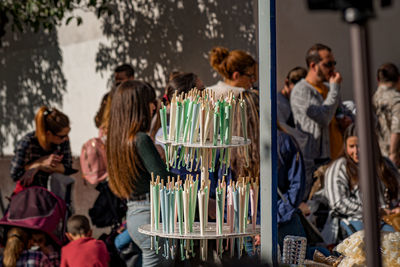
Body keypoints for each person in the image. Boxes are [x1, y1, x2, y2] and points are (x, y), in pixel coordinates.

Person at [107, 80, 171, 266]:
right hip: (150, 213)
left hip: (134, 214)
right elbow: (163, 179)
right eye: (151, 101)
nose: (154, 107)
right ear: (140, 106)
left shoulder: (117, 141)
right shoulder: (141, 139)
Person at [323, 124, 400, 243]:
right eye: (351, 146)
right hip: (354, 220)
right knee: (381, 244)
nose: (355, 151)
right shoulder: (339, 167)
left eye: (359, 146)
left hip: (389, 219)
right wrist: (373, 210)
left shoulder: (385, 164)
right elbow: (338, 203)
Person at [290, 43, 342, 199]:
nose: (332, 68)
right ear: (313, 65)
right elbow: (323, 117)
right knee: (312, 205)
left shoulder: (327, 87)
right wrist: (334, 90)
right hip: (314, 162)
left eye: (334, 63)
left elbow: (338, 111)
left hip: (333, 158)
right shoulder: (302, 90)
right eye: (328, 64)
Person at [10, 106, 74, 190]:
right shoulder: (27, 143)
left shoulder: (62, 142)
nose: (66, 138)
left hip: (56, 195)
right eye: (62, 136)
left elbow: (68, 169)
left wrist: (41, 166)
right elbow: (15, 174)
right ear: (48, 134)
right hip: (31, 195)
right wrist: (39, 163)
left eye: (67, 134)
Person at [373, 63, 400, 167]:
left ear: (378, 80)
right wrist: (393, 153)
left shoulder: (373, 99)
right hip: (394, 157)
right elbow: (397, 129)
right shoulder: (396, 100)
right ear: (398, 79)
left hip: (377, 154)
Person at [94, 63, 135, 129]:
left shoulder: (139, 97)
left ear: (131, 79)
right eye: (116, 79)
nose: (117, 82)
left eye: (121, 79)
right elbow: (98, 122)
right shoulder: (108, 97)